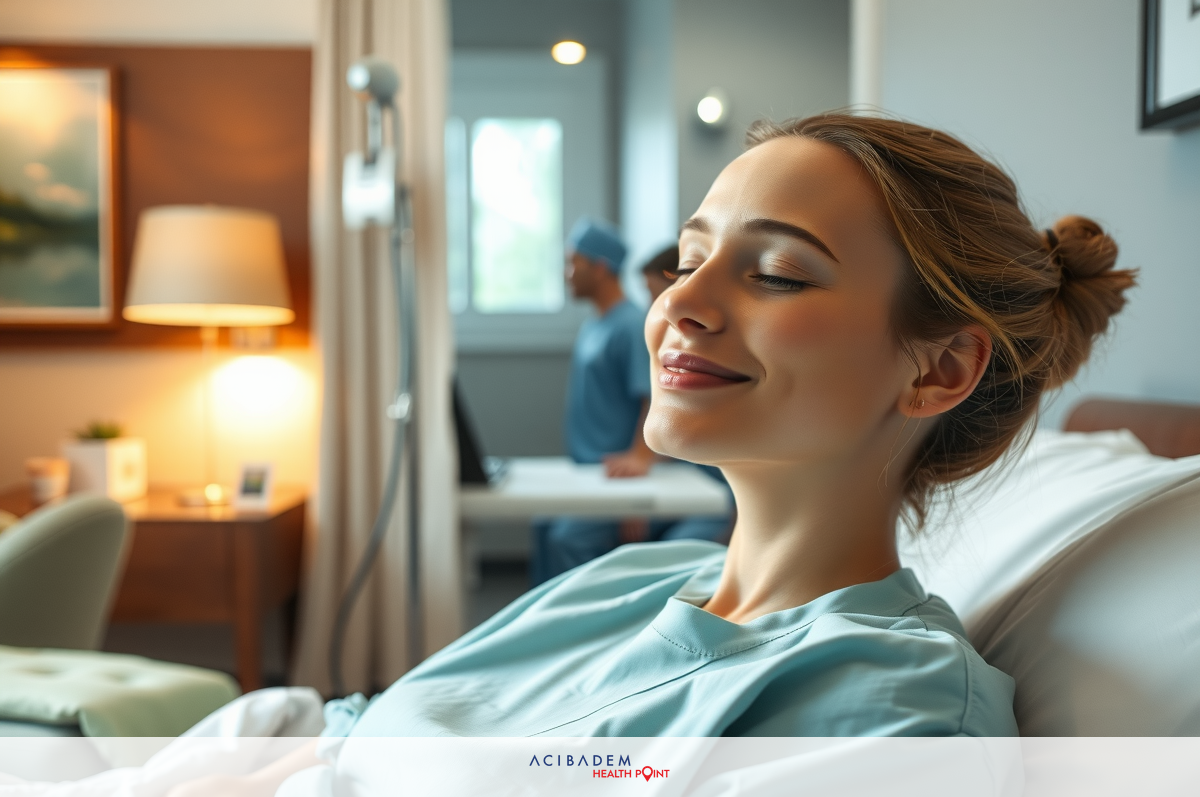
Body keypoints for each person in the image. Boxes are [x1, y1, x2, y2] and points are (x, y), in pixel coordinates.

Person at [331, 112, 1134, 737]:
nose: (676, 302)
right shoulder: (623, 583)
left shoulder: (886, 704)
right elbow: (355, 736)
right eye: (686, 262)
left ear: (939, 369)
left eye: (777, 273)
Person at [529, 218, 658, 585]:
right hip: (585, 469)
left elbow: (653, 397)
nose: (567, 273)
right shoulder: (595, 325)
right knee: (541, 524)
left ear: (601, 268)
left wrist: (639, 468)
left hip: (614, 476)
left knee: (565, 538)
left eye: (574, 263)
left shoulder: (631, 325)